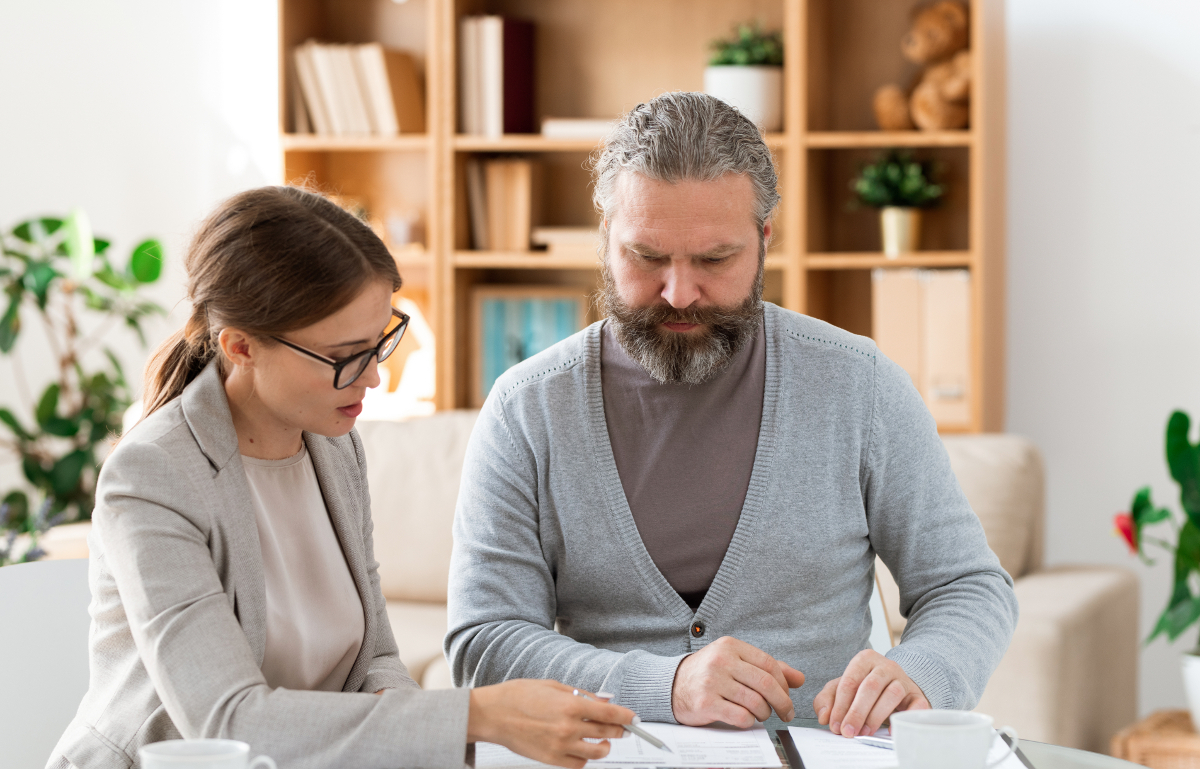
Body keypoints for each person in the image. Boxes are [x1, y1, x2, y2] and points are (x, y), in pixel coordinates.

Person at [446, 92, 1019, 740]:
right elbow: (483, 645)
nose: (679, 292)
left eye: (715, 260)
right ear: (605, 236)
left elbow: (969, 586)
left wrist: (923, 670)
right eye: (646, 257)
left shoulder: (860, 385)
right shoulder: (526, 409)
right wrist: (666, 686)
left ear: (764, 240)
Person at [47, 186, 634, 769]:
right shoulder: (153, 477)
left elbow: (375, 656)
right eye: (346, 355)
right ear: (241, 346)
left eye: (379, 342)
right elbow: (228, 721)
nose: (374, 378)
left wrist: (425, 749)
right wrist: (475, 715)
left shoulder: (334, 447)